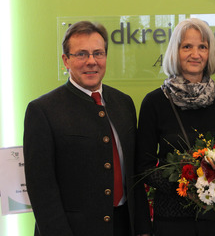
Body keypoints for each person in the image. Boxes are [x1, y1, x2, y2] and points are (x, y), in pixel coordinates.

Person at [23, 21, 151, 236]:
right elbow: (42, 190)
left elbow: (134, 176)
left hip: (124, 226)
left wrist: (143, 229)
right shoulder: (42, 110)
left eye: (98, 53)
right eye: (81, 54)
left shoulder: (124, 103)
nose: (91, 62)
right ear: (66, 60)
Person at [136, 18, 215, 236]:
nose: (196, 54)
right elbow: (144, 166)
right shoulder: (154, 102)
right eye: (187, 47)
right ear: (175, 51)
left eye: (202, 47)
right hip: (173, 221)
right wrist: (187, 188)